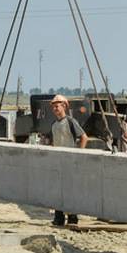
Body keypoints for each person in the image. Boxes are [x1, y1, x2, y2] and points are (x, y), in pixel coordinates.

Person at [47, 94, 88, 226]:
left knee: (70, 190)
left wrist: (78, 154)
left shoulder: (70, 122)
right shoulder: (54, 125)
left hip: (70, 161)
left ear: (64, 106)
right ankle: (58, 218)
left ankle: (72, 218)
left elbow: (84, 137)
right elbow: (54, 143)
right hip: (58, 162)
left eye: (57, 106)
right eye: (53, 107)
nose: (55, 109)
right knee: (58, 190)